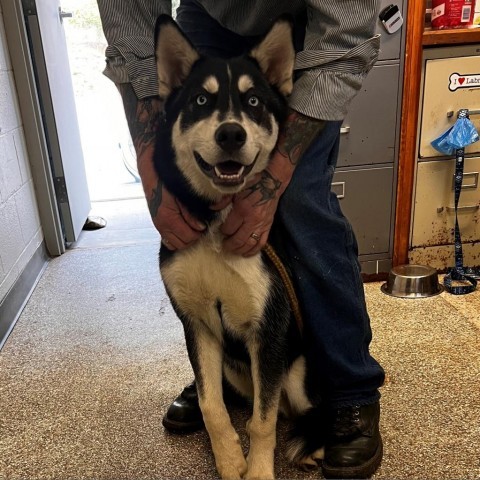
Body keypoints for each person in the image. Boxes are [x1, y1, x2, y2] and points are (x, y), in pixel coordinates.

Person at [97, 1, 386, 478]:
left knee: (299, 200)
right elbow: (133, 33)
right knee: (184, 186)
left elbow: (346, 38)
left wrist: (274, 180)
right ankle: (224, 381)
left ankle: (347, 389)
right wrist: (153, 174)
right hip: (207, 15)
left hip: (317, 22)